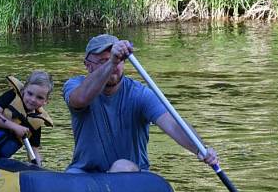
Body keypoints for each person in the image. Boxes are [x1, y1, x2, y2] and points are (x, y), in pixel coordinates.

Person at [64, 33, 218, 173]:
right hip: (85, 174)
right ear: (88, 65)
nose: (115, 66)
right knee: (70, 176)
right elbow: (81, 99)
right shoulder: (74, 85)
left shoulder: (140, 94)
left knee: (121, 166)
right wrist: (111, 62)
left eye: (119, 60)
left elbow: (172, 124)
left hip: (132, 178)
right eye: (104, 61)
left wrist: (200, 149)